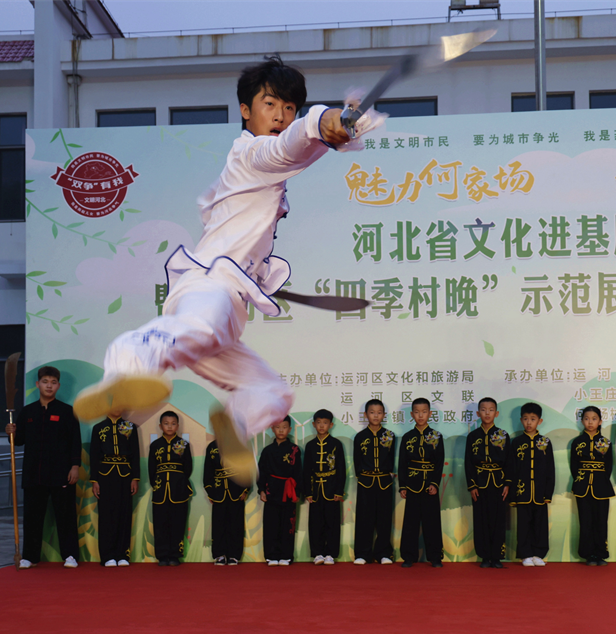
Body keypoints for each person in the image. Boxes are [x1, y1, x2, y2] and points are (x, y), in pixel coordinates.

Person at [73, 55, 383, 483]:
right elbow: (289, 144)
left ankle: (234, 424)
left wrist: (342, 126)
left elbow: (219, 205)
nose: (280, 116)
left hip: (229, 308)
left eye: (289, 108)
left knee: (273, 393)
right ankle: (127, 365)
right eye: (270, 104)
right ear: (245, 110)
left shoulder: (254, 177)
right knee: (198, 330)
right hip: (210, 289)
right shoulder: (254, 154)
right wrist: (326, 121)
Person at [6, 366, 81, 569]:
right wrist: (11, 432)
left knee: (65, 517)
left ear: (58, 386)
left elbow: (75, 441)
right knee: (32, 517)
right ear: (38, 384)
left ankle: (71, 555)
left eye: (53, 382)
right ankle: (29, 557)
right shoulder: (27, 412)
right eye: (45, 381)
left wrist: (75, 466)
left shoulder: (67, 411)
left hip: (61, 474)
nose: (49, 385)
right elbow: (18, 440)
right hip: (33, 475)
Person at [505, 403, 555, 567]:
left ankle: (538, 554)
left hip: (540, 492)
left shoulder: (545, 442)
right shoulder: (516, 442)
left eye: (532, 419)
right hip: (522, 491)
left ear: (539, 421)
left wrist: (548, 493)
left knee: (540, 524)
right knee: (524, 525)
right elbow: (511, 469)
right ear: (521, 420)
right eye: (526, 419)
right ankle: (525, 554)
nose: (529, 423)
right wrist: (513, 494)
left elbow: (550, 469)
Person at [398, 398, 445, 568]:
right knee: (410, 522)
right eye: (417, 412)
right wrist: (402, 486)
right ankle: (409, 556)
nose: (420, 415)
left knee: (431, 522)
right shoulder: (407, 437)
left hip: (429, 485)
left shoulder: (436, 436)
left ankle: (435, 556)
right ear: (412, 414)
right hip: (412, 484)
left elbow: (439, 463)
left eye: (424, 412)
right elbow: (402, 463)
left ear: (430, 414)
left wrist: (435, 483)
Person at [89, 414, 140, 567]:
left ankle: (122, 554)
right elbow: (94, 455)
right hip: (104, 475)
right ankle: (107, 555)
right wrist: (95, 480)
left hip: (125, 474)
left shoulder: (129, 427)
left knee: (124, 514)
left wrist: (135, 478)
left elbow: (135, 453)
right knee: (106, 515)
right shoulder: (98, 428)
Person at [465, 397, 510, 569]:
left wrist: (507, 483)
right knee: (481, 520)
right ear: (478, 413)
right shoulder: (472, 436)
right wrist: (472, 485)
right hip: (480, 482)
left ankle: (497, 556)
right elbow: (468, 463)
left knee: (498, 521)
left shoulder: (503, 435)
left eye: (491, 410)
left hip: (498, 483)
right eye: (483, 410)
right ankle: (484, 556)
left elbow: (508, 462)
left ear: (496, 413)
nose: (487, 413)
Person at [353, 399, 397, 565]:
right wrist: (362, 476)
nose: (375, 415)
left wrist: (389, 475)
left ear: (384, 415)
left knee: (384, 519)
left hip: (385, 482)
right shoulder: (360, 437)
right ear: (365, 415)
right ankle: (362, 554)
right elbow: (357, 461)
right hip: (366, 482)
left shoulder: (389, 435)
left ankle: (383, 553)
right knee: (364, 518)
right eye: (372, 412)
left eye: (379, 412)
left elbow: (391, 459)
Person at [570, 406, 615, 566]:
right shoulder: (577, 442)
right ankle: (588, 554)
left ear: (600, 421)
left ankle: (600, 554)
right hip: (582, 487)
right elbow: (574, 466)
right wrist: (581, 479)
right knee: (586, 521)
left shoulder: (605, 442)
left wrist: (600, 479)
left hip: (601, 487)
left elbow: (608, 466)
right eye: (587, 418)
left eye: (594, 418)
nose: (590, 422)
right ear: (582, 421)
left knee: (601, 521)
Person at [148, 411, 192, 566]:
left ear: (178, 426)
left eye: (173, 424)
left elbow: (188, 468)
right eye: (166, 423)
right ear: (160, 426)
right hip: (160, 491)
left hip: (178, 489)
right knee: (160, 523)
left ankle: (174, 555)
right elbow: (151, 470)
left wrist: (178, 480)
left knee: (178, 523)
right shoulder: (155, 445)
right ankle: (162, 555)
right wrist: (157, 485)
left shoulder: (183, 444)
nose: (170, 426)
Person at [303, 409, 345, 565]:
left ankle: (330, 553)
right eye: (319, 423)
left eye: (325, 423)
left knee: (332, 523)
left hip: (332, 488)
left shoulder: (336, 444)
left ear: (331, 425)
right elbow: (306, 470)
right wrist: (308, 491)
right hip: (315, 489)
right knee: (315, 522)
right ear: (314, 424)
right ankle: (317, 553)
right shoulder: (310, 445)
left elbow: (341, 469)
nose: (322, 426)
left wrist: (339, 491)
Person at [258, 416, 302, 566]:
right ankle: (271, 555)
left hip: (289, 491)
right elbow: (261, 472)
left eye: (284, 427)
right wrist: (262, 489)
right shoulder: (267, 451)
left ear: (289, 429)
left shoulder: (294, 449)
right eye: (278, 427)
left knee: (287, 525)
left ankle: (286, 555)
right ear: (272, 429)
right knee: (271, 525)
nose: (281, 430)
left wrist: (298, 491)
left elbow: (298, 472)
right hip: (271, 491)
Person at [203, 438, 248, 565]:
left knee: (236, 524)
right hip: (218, 491)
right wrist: (210, 491)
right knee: (219, 524)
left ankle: (234, 555)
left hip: (236, 491)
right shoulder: (211, 447)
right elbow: (208, 471)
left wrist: (245, 489)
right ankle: (219, 554)